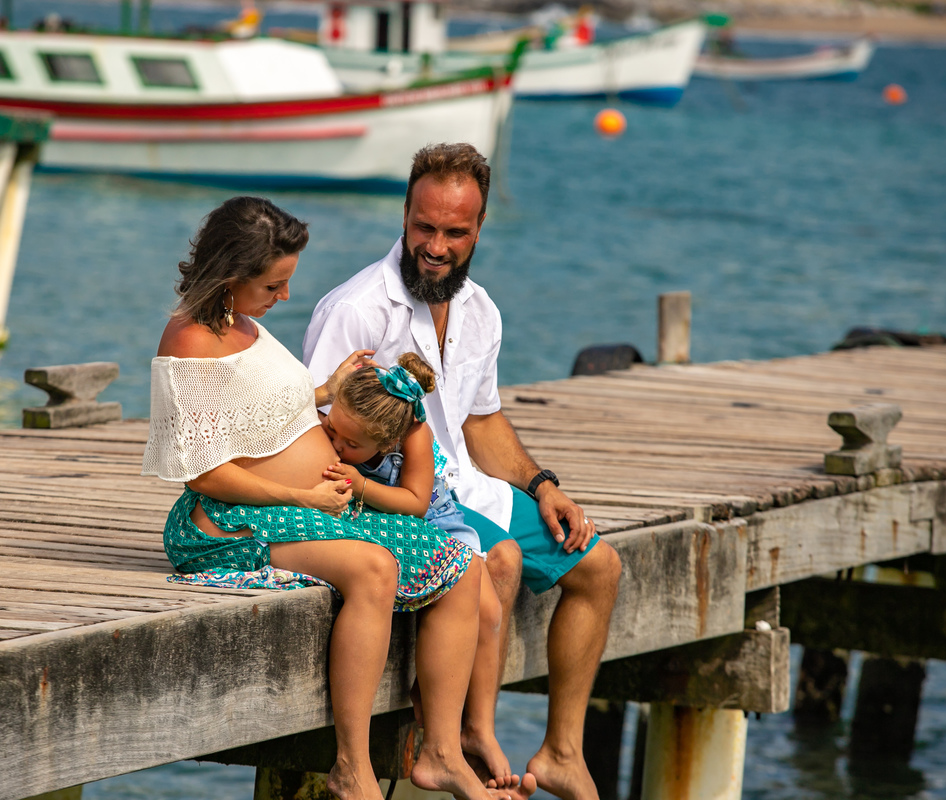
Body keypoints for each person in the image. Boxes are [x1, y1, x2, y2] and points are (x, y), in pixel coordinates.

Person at [141, 196, 532, 800]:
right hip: (226, 522)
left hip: (295, 507)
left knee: (463, 565)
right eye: (274, 284)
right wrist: (300, 493)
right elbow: (205, 475)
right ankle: (352, 767)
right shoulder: (190, 341)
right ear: (230, 276)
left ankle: (443, 752)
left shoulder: (241, 324)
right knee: (374, 568)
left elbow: (262, 412)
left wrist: (327, 387)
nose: (285, 297)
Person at [304, 145, 623, 800]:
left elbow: (481, 423)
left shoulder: (481, 310)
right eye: (424, 227)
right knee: (499, 560)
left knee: (601, 567)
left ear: (479, 229)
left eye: (454, 232)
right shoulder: (358, 309)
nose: (436, 245)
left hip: (470, 486)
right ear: (405, 215)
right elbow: (318, 431)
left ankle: (562, 751)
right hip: (399, 495)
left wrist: (542, 485)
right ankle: (460, 741)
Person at [319, 353, 514, 787]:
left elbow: (416, 502)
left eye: (350, 445)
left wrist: (362, 483)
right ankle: (441, 734)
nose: (336, 446)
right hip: (386, 518)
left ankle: (475, 730)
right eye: (333, 430)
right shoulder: (341, 421)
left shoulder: (414, 433)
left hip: (434, 518)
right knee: (460, 601)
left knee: (486, 610)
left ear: (386, 443)